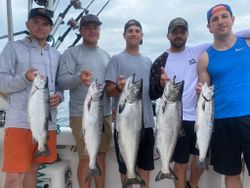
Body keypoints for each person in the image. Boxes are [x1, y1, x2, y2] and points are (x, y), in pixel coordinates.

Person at [149, 16, 250, 188]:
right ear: (168, 35)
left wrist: (226, 26)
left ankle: (192, 184)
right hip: (176, 120)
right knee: (180, 165)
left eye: (182, 31)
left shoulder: (199, 51)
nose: (178, 35)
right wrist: (159, 85)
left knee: (203, 159)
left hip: (203, 118)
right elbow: (152, 94)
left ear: (187, 34)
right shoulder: (160, 60)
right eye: (175, 32)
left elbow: (228, 36)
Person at [0, 8, 62, 188]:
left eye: (45, 24)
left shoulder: (56, 55)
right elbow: (1, 81)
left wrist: (59, 96)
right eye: (35, 22)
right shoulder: (13, 48)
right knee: (14, 176)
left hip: (46, 123)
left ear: (50, 28)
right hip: (19, 122)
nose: (40, 27)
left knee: (33, 170)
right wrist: (24, 78)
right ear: (27, 24)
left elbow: (58, 85)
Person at [197, 4, 250, 188]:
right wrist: (199, 93)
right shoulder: (205, 58)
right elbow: (203, 96)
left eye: (224, 16)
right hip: (221, 121)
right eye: (215, 19)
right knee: (231, 174)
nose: (220, 22)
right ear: (209, 27)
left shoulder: (248, 43)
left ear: (233, 20)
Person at [57, 14, 112, 188]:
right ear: (81, 31)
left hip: (105, 115)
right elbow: (62, 82)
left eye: (95, 27)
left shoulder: (105, 55)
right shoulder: (71, 53)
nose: (91, 31)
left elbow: (109, 88)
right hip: (81, 115)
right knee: (86, 157)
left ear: (99, 31)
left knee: (100, 156)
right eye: (87, 27)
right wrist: (79, 78)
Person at [105, 19, 155, 188]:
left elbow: (153, 92)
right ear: (124, 35)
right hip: (124, 125)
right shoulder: (116, 60)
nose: (133, 33)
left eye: (137, 30)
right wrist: (118, 87)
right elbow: (109, 90)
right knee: (125, 167)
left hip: (147, 123)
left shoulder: (148, 62)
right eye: (130, 31)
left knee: (145, 168)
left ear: (141, 36)